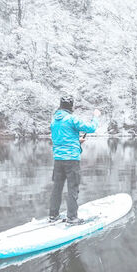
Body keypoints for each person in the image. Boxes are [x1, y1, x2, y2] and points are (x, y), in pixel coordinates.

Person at [49, 95, 100, 224]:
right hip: (71, 160)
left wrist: (77, 142)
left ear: (60, 106)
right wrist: (96, 116)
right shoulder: (71, 119)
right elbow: (91, 128)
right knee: (73, 187)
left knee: (57, 188)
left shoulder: (54, 121)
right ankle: (72, 217)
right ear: (71, 107)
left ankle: (53, 215)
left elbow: (60, 140)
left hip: (58, 159)